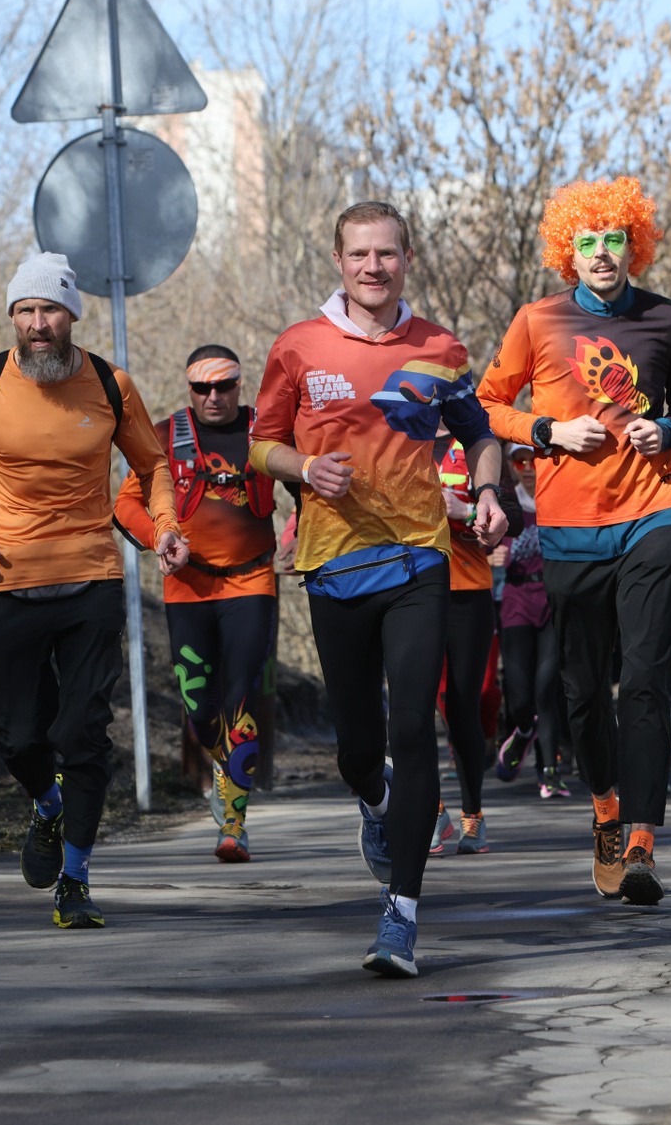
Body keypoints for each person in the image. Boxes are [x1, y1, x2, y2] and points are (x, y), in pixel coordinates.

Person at [249, 200, 504, 978]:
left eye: (386, 253)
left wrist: (488, 493)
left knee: (412, 726)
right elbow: (262, 445)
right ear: (339, 260)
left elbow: (480, 433)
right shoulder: (298, 346)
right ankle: (377, 799)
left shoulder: (438, 347)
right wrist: (304, 468)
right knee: (359, 748)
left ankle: (402, 915)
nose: (373, 266)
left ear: (407, 259)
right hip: (334, 564)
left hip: (419, 557)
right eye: (359, 254)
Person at [477, 176, 671, 907]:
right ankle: (606, 809)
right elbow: (487, 403)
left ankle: (641, 839)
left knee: (642, 676)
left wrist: (667, 428)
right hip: (571, 526)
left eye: (615, 239)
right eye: (588, 241)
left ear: (634, 245)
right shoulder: (537, 320)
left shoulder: (666, 318)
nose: (602, 252)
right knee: (581, 689)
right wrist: (547, 430)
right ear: (568, 251)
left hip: (653, 510)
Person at [0, 252, 189, 930]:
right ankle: (46, 805)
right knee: (17, 736)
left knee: (82, 733)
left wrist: (166, 526)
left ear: (72, 314)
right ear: (13, 317)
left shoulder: (109, 384)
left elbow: (153, 464)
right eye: (25, 310)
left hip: (90, 580)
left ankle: (75, 879)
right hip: (7, 578)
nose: (37, 323)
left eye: (49, 309)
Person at [115, 345, 282, 863]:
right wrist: (157, 538)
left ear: (239, 385)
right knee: (200, 709)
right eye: (202, 388)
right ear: (189, 388)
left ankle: (234, 825)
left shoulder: (266, 430)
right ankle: (223, 763)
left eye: (224, 386)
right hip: (187, 586)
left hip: (252, 581)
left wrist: (303, 528)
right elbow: (125, 502)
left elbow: (306, 481)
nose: (214, 396)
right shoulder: (165, 436)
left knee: (240, 699)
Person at [429, 425, 522, 854]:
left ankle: (473, 814)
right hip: (407, 593)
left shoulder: (477, 445)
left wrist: (465, 509)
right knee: (412, 708)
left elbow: (515, 516)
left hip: (466, 592)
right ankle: (431, 811)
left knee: (462, 706)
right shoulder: (396, 437)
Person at [494, 443, 571, 799]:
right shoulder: (504, 504)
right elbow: (477, 539)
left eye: (533, 460)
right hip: (515, 601)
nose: (527, 467)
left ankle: (550, 773)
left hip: (552, 601)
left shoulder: (559, 500)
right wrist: (491, 553)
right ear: (511, 465)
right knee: (520, 696)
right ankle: (523, 731)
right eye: (519, 460)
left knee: (545, 689)